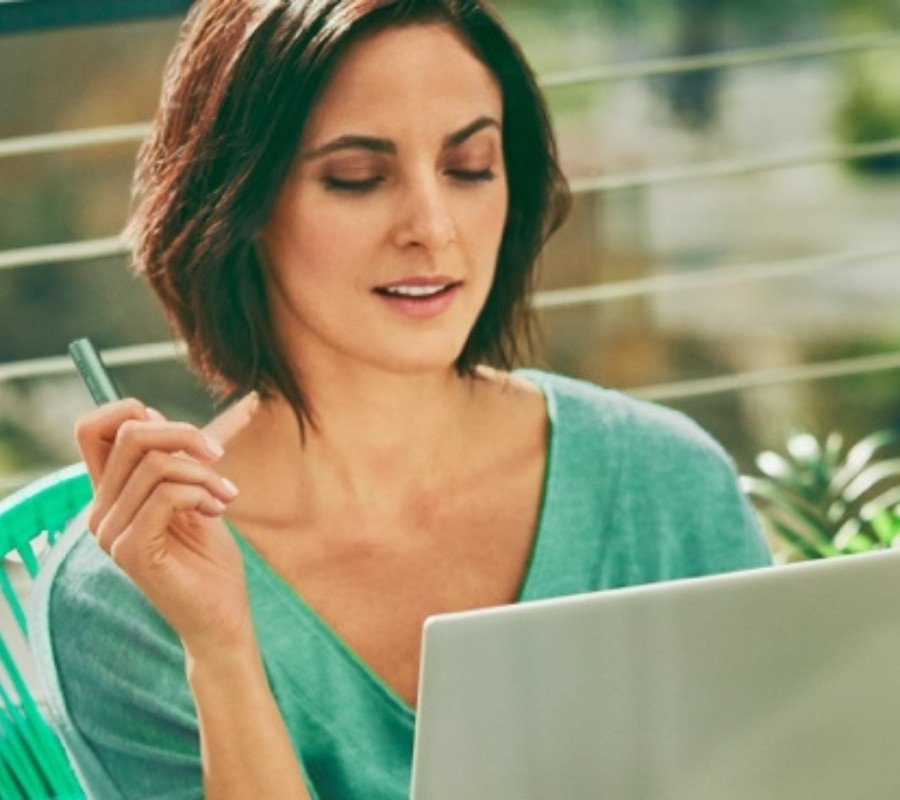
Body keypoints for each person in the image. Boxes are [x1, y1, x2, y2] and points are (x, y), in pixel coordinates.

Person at [29, 0, 771, 798]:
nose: (434, 226)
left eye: (469, 168)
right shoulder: (129, 597)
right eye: (358, 177)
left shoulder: (669, 487)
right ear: (240, 208)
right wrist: (223, 656)